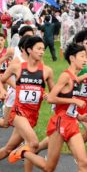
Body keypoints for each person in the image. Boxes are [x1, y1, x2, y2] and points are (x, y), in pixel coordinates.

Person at [8, 43, 87, 172]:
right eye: (82, 56)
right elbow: (51, 98)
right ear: (72, 58)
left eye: (86, 57)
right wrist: (75, 100)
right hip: (59, 124)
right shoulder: (65, 76)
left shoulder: (75, 79)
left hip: (72, 122)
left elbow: (66, 106)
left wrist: (79, 116)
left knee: (84, 164)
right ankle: (23, 153)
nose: (85, 59)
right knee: (49, 168)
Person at [0, 36, 55, 172]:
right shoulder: (17, 67)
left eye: (43, 49)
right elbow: (0, 80)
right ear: (29, 50)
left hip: (33, 116)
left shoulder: (47, 71)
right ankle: (21, 153)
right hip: (18, 112)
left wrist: (49, 95)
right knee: (33, 143)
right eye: (38, 49)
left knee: (9, 148)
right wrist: (2, 91)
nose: (42, 52)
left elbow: (53, 93)